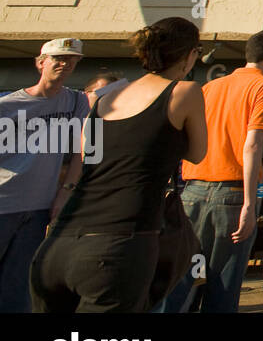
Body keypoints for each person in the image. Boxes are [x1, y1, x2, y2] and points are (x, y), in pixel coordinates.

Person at [30, 18, 208, 313]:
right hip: (117, 246)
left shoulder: (103, 101)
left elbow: (89, 154)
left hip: (58, 244)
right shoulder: (184, 92)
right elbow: (197, 153)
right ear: (190, 54)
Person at [165, 29, 263, 313]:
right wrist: (249, 204)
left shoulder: (209, 88)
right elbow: (252, 145)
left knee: (186, 280)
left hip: (192, 191)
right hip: (231, 194)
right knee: (222, 284)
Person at [0, 37, 92, 313]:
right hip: (3, 203)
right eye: (58, 58)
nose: (65, 64)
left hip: (39, 208)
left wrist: (66, 191)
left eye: (72, 59)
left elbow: (86, 151)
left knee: (18, 288)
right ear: (41, 63)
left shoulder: (78, 102)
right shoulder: (7, 105)